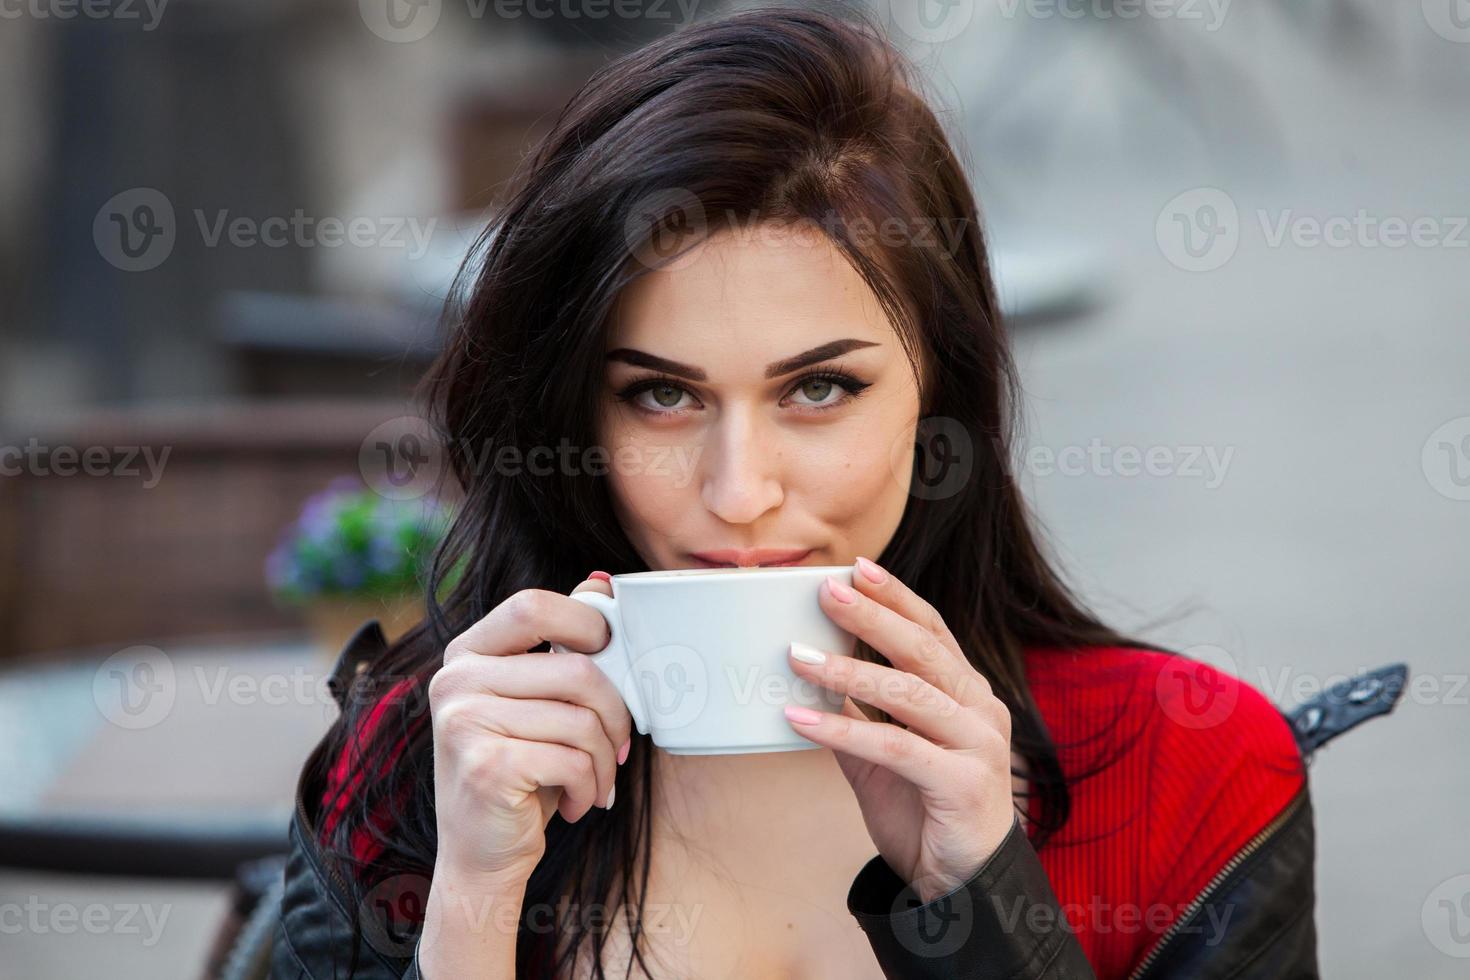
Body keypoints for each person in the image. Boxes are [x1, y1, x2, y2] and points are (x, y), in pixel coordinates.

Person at [274, 8, 1321, 978]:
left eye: (819, 388)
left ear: (939, 399)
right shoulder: (436, 761)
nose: (738, 492)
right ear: (573, 421)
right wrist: (467, 909)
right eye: (661, 394)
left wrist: (988, 901)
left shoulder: (1188, 773)